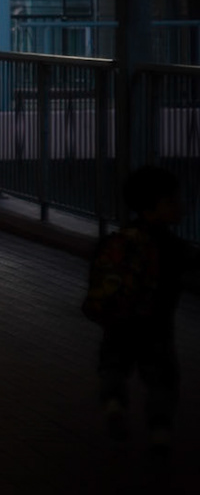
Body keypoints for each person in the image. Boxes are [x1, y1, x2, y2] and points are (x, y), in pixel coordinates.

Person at [91, 165, 190, 454]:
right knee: (162, 379)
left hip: (119, 322)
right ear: (153, 208)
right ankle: (159, 432)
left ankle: (113, 404)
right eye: (172, 201)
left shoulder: (119, 239)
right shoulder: (172, 246)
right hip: (156, 326)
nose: (179, 207)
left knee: (113, 365)